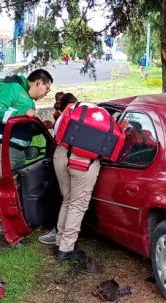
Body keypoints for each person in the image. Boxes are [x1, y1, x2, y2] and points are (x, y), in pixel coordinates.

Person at [0, 69, 53, 250]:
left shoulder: (26, 97)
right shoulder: (11, 86)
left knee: (9, 194)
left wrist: (37, 127)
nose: (46, 94)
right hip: (0, 148)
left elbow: (20, 126)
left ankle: (5, 234)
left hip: (13, 151)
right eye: (47, 89)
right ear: (39, 82)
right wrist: (22, 112)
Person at [52, 93, 102, 260]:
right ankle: (66, 249)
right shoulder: (97, 113)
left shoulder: (65, 115)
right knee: (77, 204)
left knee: (67, 200)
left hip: (60, 155)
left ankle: (59, 242)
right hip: (83, 162)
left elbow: (56, 136)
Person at [37, 90, 66, 245]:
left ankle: (57, 231)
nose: (56, 110)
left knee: (59, 198)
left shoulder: (66, 120)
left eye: (59, 107)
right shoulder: (62, 120)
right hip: (63, 164)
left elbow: (59, 142)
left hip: (61, 165)